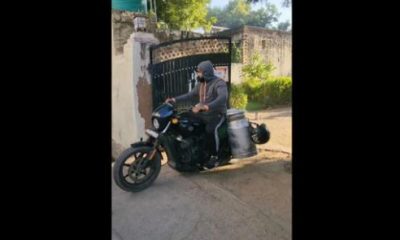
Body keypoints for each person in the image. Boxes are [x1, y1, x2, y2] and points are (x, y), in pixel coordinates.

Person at [165, 60, 228, 169]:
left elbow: (222, 98)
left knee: (210, 130)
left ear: (206, 72)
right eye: (198, 71)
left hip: (216, 114)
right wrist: (174, 99)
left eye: (199, 72)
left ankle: (214, 156)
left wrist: (207, 106)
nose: (198, 74)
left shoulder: (219, 83)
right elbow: (189, 95)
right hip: (203, 113)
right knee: (184, 118)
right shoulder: (201, 84)